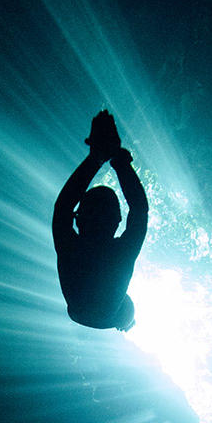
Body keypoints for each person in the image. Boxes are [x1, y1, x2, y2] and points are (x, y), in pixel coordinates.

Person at [53, 110, 148, 331]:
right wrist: (117, 162)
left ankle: (126, 322)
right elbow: (139, 211)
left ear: (79, 219)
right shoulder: (120, 254)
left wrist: (98, 157)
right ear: (116, 221)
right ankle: (126, 322)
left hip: (93, 311)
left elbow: (63, 209)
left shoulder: (72, 247)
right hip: (93, 311)